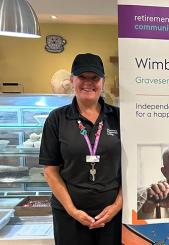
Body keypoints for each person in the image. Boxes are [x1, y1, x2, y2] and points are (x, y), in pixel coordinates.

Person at [39, 53, 122, 245]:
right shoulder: (57, 119)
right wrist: (72, 210)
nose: (88, 83)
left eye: (94, 78)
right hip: (69, 216)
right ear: (71, 80)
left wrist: (117, 206)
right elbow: (50, 171)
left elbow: (131, 167)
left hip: (112, 215)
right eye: (82, 77)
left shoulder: (118, 117)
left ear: (103, 81)